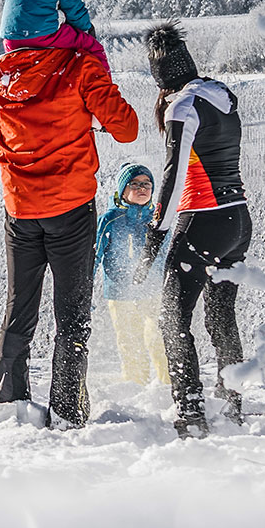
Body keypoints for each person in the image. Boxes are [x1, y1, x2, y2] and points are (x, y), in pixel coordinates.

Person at [0, 41, 138, 427]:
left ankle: (7, 401)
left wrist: (14, 120)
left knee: (19, 307)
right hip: (71, 209)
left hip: (21, 211)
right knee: (72, 313)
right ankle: (67, 410)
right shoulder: (78, 67)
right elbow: (126, 129)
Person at [141, 23, 251, 438]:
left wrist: (156, 232)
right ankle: (231, 401)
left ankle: (189, 411)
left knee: (172, 318)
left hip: (204, 219)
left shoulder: (182, 107)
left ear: (160, 80)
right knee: (222, 316)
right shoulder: (220, 97)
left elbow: (171, 177)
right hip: (239, 220)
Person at [96, 163, 169, 386]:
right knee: (129, 342)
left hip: (153, 291)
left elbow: (168, 255)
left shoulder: (157, 219)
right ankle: (136, 387)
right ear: (122, 190)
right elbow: (94, 255)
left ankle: (167, 386)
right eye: (134, 184)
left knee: (159, 339)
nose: (142, 188)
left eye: (146, 184)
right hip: (120, 294)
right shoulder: (111, 219)